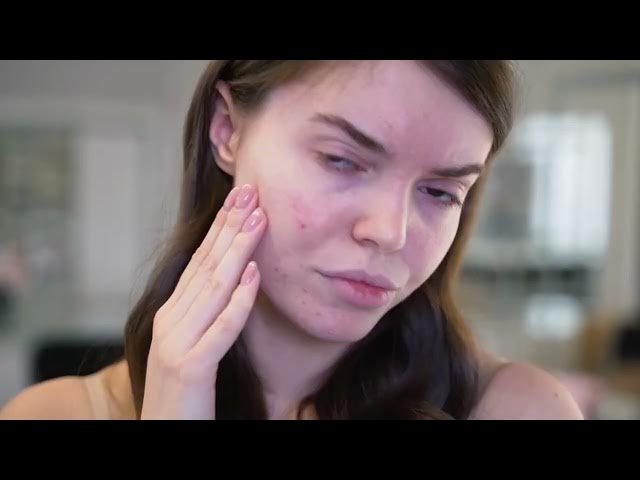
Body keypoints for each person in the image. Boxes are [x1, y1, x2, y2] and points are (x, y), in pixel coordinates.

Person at [0, 60, 584, 420]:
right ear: (227, 130)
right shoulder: (54, 414)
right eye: (341, 160)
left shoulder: (519, 409)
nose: (390, 232)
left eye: (439, 192)